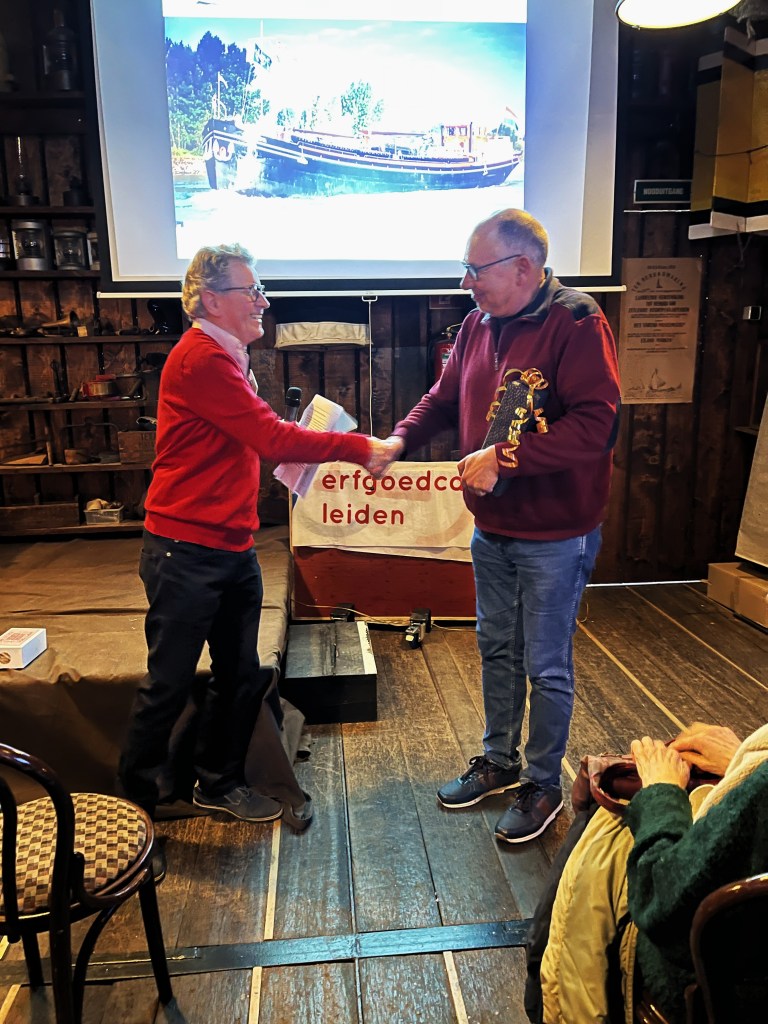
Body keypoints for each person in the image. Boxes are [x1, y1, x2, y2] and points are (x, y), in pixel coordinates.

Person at [118, 243, 392, 826]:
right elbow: (270, 438)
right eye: (252, 291)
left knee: (241, 675)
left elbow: (257, 436)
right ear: (211, 299)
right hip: (185, 551)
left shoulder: (227, 354)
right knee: (167, 686)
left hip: (230, 545)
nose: (263, 301)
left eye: (260, 289)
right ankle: (133, 815)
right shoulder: (202, 359)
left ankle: (218, 782)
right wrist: (359, 447)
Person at [379, 208, 621, 843]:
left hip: (557, 533)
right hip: (493, 527)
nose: (466, 283)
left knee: (546, 664)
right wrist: (400, 440)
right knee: (496, 648)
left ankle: (543, 784)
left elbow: (597, 426)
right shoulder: (477, 323)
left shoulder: (578, 321)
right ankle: (499, 760)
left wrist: (505, 458)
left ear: (523, 267)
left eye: (475, 270)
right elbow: (443, 397)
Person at [535, 721, 768, 1024]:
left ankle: (549, 1003)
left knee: (609, 830)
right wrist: (746, 762)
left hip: (714, 986)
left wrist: (662, 791)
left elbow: (663, 903)